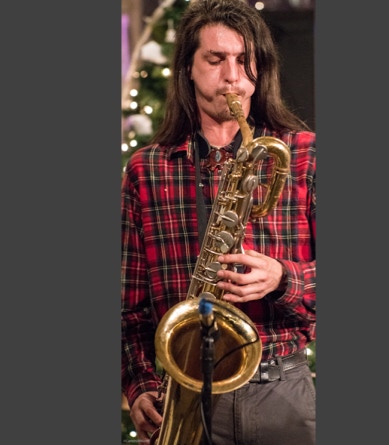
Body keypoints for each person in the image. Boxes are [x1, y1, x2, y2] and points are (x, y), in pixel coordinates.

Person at [121, 0, 316, 444]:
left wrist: (283, 278)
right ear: (187, 69)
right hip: (184, 393)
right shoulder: (146, 170)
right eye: (216, 59)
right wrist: (140, 386)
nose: (233, 77)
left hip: (282, 391)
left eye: (245, 61)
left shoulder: (305, 154)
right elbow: (128, 310)